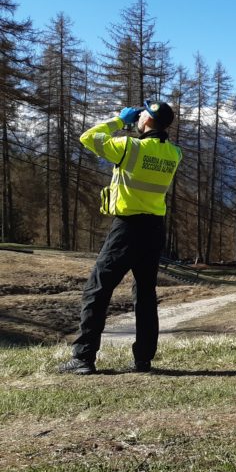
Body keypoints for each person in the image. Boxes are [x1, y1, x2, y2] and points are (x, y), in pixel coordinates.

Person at [59, 100, 181, 375]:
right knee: (145, 294)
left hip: (127, 228)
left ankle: (83, 358)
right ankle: (143, 360)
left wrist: (119, 121)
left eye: (142, 115)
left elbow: (88, 137)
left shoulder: (129, 147)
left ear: (147, 121)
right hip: (154, 228)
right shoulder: (175, 153)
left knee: (97, 289)